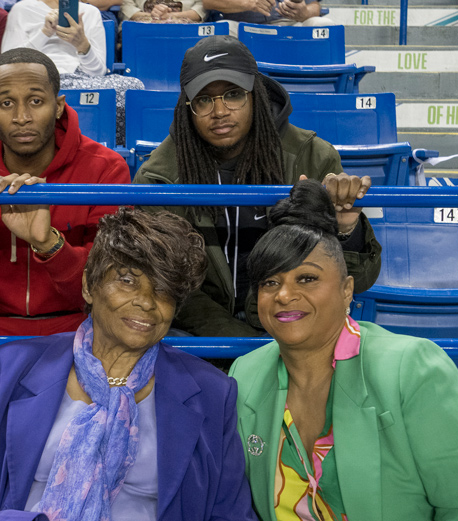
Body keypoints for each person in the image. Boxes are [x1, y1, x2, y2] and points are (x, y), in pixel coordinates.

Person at [0, 207, 262, 521]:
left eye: (165, 290)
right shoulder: (12, 367)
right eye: (127, 280)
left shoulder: (212, 392)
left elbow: (231, 519)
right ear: (88, 286)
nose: (147, 301)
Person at [0, 47, 132, 453]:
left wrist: (49, 245)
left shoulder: (105, 170)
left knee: (124, 336)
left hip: (73, 325)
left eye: (36, 101)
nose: (22, 117)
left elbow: (104, 294)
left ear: (59, 105)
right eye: (7, 103)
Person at [228, 179, 458, 521]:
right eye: (270, 283)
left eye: (306, 279)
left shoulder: (412, 368)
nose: (284, 295)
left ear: (346, 290)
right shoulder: (245, 374)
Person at [134, 36, 381, 338]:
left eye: (233, 94)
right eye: (204, 99)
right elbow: (170, 283)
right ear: (188, 108)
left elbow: (359, 279)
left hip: (293, 323)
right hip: (202, 334)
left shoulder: (312, 157)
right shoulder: (158, 176)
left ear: (256, 95)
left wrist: (346, 229)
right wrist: (242, 348)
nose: (220, 111)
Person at [1, 0, 145, 145]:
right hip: (37, 78)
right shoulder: (21, 9)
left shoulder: (90, 12)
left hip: (80, 79)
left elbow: (98, 72)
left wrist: (81, 43)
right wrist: (45, 33)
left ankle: (113, 148)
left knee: (132, 85)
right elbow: (8, 65)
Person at [203, 0, 333, 36]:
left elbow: (315, 5)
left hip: (290, 25)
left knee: (324, 24)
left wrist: (305, 12)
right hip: (242, 27)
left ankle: (322, 82)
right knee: (222, 29)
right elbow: (209, 2)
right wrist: (249, 3)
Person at [121, 0, 204, 23]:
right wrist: (153, 16)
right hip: (142, 25)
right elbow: (126, 6)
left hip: (185, 26)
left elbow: (200, 10)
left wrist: (170, 16)